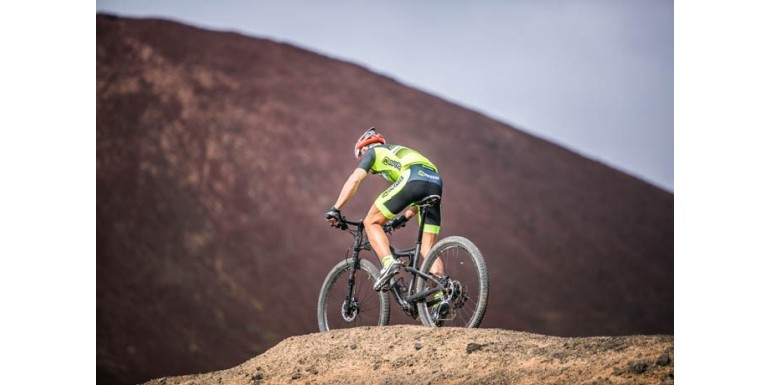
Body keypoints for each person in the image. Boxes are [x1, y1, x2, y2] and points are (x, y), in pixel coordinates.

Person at [325, 127, 444, 291]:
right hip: (435, 182)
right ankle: (442, 296)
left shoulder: (373, 152)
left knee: (371, 221)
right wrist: (402, 219)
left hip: (413, 176)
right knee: (428, 249)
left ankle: (389, 263)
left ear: (364, 148)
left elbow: (354, 180)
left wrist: (336, 208)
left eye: (360, 156)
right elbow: (418, 199)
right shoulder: (396, 152)